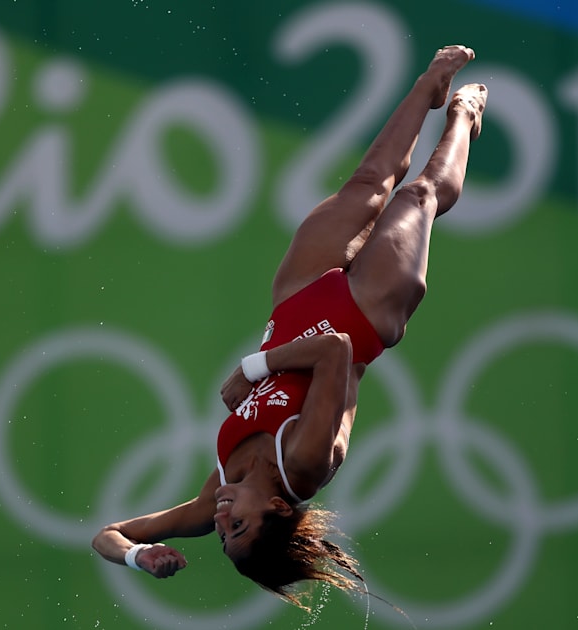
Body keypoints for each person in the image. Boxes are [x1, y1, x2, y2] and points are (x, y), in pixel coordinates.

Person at [92, 45, 487, 609]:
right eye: (239, 529)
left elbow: (107, 534)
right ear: (277, 511)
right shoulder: (303, 463)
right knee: (419, 194)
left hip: (296, 303)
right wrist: (254, 366)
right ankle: (464, 118)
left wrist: (139, 555)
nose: (223, 520)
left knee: (368, 180)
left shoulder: (217, 494)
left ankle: (429, 84)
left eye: (222, 536)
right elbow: (335, 351)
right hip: (365, 313)